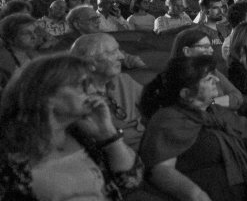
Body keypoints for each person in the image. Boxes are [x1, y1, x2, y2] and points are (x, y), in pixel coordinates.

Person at [138, 56, 247, 201]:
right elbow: (160, 171)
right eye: (208, 79)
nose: (216, 80)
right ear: (186, 94)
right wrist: (197, 195)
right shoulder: (167, 120)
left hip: (241, 188)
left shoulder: (213, 110)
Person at [0, 54, 143, 201]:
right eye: (81, 85)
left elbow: (131, 181)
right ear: (46, 95)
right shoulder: (10, 151)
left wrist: (107, 134)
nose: (93, 90)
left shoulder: (81, 133)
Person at [69, 33, 146, 150]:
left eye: (118, 50)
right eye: (112, 52)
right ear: (91, 63)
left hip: (146, 143)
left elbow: (153, 105)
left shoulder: (124, 80)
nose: (121, 56)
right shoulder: (74, 96)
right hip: (114, 152)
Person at [171, 28, 244, 110]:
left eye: (210, 46)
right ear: (187, 51)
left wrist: (211, 103)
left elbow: (237, 96)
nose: (211, 50)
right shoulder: (177, 79)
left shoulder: (213, 71)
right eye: (205, 47)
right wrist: (223, 101)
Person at [0, 14, 39, 88]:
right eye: (26, 33)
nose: (34, 36)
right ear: (10, 38)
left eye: (35, 31)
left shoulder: (32, 53)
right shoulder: (3, 62)